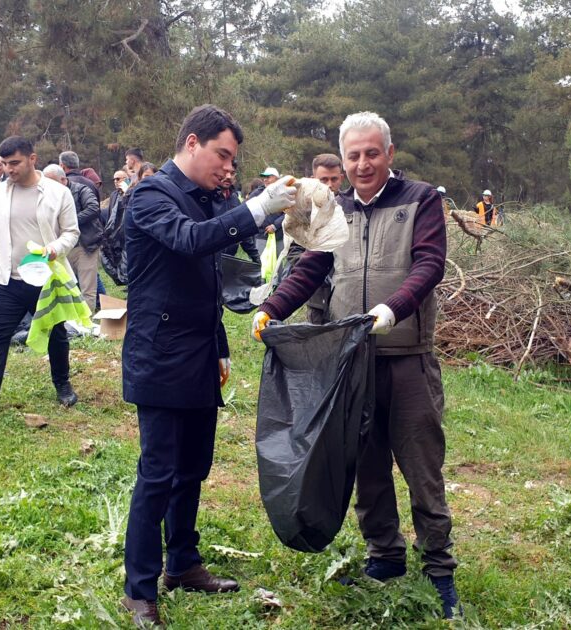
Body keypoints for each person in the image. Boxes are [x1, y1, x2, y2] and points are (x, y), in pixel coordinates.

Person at [252, 111, 461, 619]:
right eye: (353, 155)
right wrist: (272, 307)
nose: (363, 163)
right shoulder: (335, 208)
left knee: (422, 468)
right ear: (342, 161)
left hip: (407, 357)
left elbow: (430, 263)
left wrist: (391, 310)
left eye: (372, 152)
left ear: (389, 153)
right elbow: (313, 266)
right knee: (366, 464)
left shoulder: (421, 201)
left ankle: (438, 566)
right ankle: (384, 554)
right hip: (352, 362)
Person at [119, 104, 296, 628]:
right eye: (222, 155)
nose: (228, 168)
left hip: (197, 350)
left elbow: (206, 279)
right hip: (160, 354)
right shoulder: (151, 194)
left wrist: (219, 344)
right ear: (191, 143)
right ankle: (140, 587)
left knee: (193, 467)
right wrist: (259, 206)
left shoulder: (204, 199)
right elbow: (190, 241)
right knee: (158, 472)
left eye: (233, 161)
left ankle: (183, 564)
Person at [0, 136, 80, 415]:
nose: (9, 170)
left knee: (55, 333)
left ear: (32, 159)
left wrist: (53, 249)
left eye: (15, 163)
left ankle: (63, 384)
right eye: (4, 164)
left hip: (45, 278)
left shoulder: (57, 192)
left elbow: (71, 232)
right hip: (6, 279)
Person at [277, 153, 345, 324]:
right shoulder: (302, 211)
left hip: (348, 297)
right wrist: (316, 265)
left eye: (334, 179)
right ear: (313, 179)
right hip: (317, 297)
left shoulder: (351, 206)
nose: (329, 185)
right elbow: (294, 250)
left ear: (342, 178)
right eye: (323, 180)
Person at [42, 164, 102, 310]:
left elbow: (93, 208)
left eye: (51, 181)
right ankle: (70, 321)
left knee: (88, 287)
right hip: (61, 247)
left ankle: (86, 323)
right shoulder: (46, 195)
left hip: (85, 245)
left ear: (63, 180)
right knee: (65, 285)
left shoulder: (81, 190)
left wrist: (71, 221)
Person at [215, 160, 260, 261]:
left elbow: (242, 229)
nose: (228, 177)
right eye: (224, 172)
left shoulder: (234, 199)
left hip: (230, 260)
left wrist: (256, 257)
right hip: (210, 262)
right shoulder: (207, 197)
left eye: (232, 173)